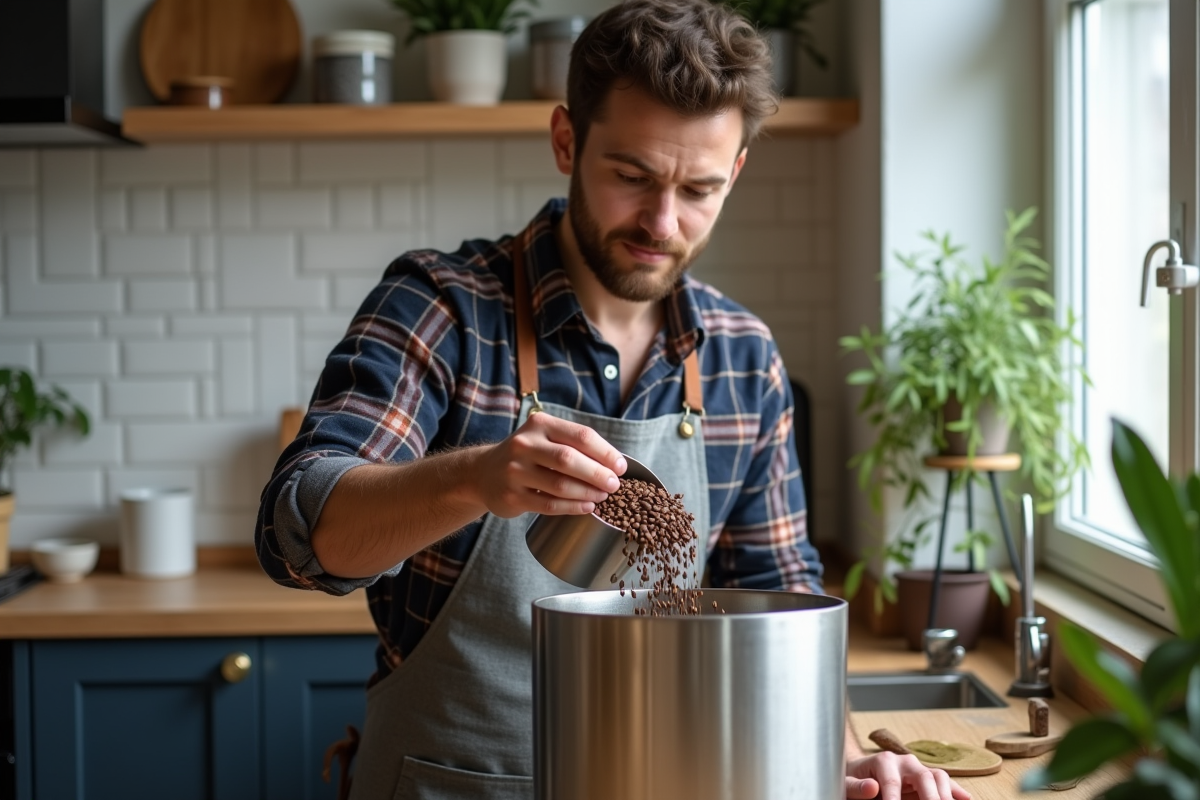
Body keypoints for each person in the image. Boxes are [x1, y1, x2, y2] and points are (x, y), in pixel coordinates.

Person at [256, 2, 970, 798]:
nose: (662, 222)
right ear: (567, 140)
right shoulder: (443, 307)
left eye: (699, 188)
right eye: (632, 177)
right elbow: (303, 534)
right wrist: (474, 479)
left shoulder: (741, 358)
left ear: (735, 172)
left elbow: (784, 607)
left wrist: (838, 758)